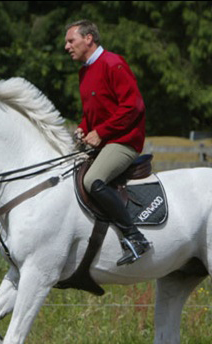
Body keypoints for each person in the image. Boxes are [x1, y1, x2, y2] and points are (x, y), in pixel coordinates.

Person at [64, 19, 151, 266]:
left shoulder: (113, 64)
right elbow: (92, 113)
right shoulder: (85, 71)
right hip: (104, 141)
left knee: (92, 181)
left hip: (124, 142)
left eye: (71, 41)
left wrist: (101, 132)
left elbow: (133, 106)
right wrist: (84, 128)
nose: (67, 47)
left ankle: (135, 237)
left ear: (88, 39)